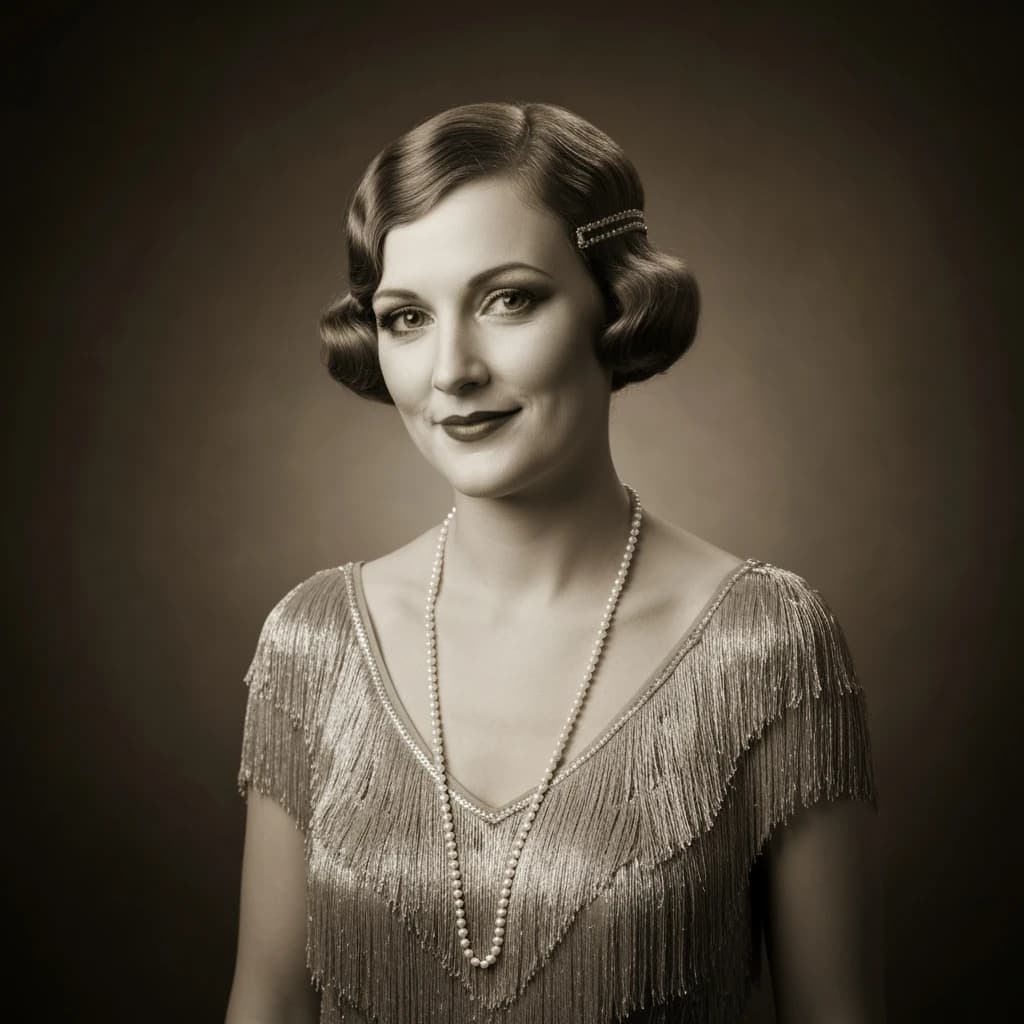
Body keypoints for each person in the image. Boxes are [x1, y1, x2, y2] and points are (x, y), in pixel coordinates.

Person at [224, 101, 884, 1024]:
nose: (451, 369)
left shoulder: (765, 644)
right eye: (407, 317)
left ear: (616, 304)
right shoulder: (312, 643)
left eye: (509, 299)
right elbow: (268, 1003)